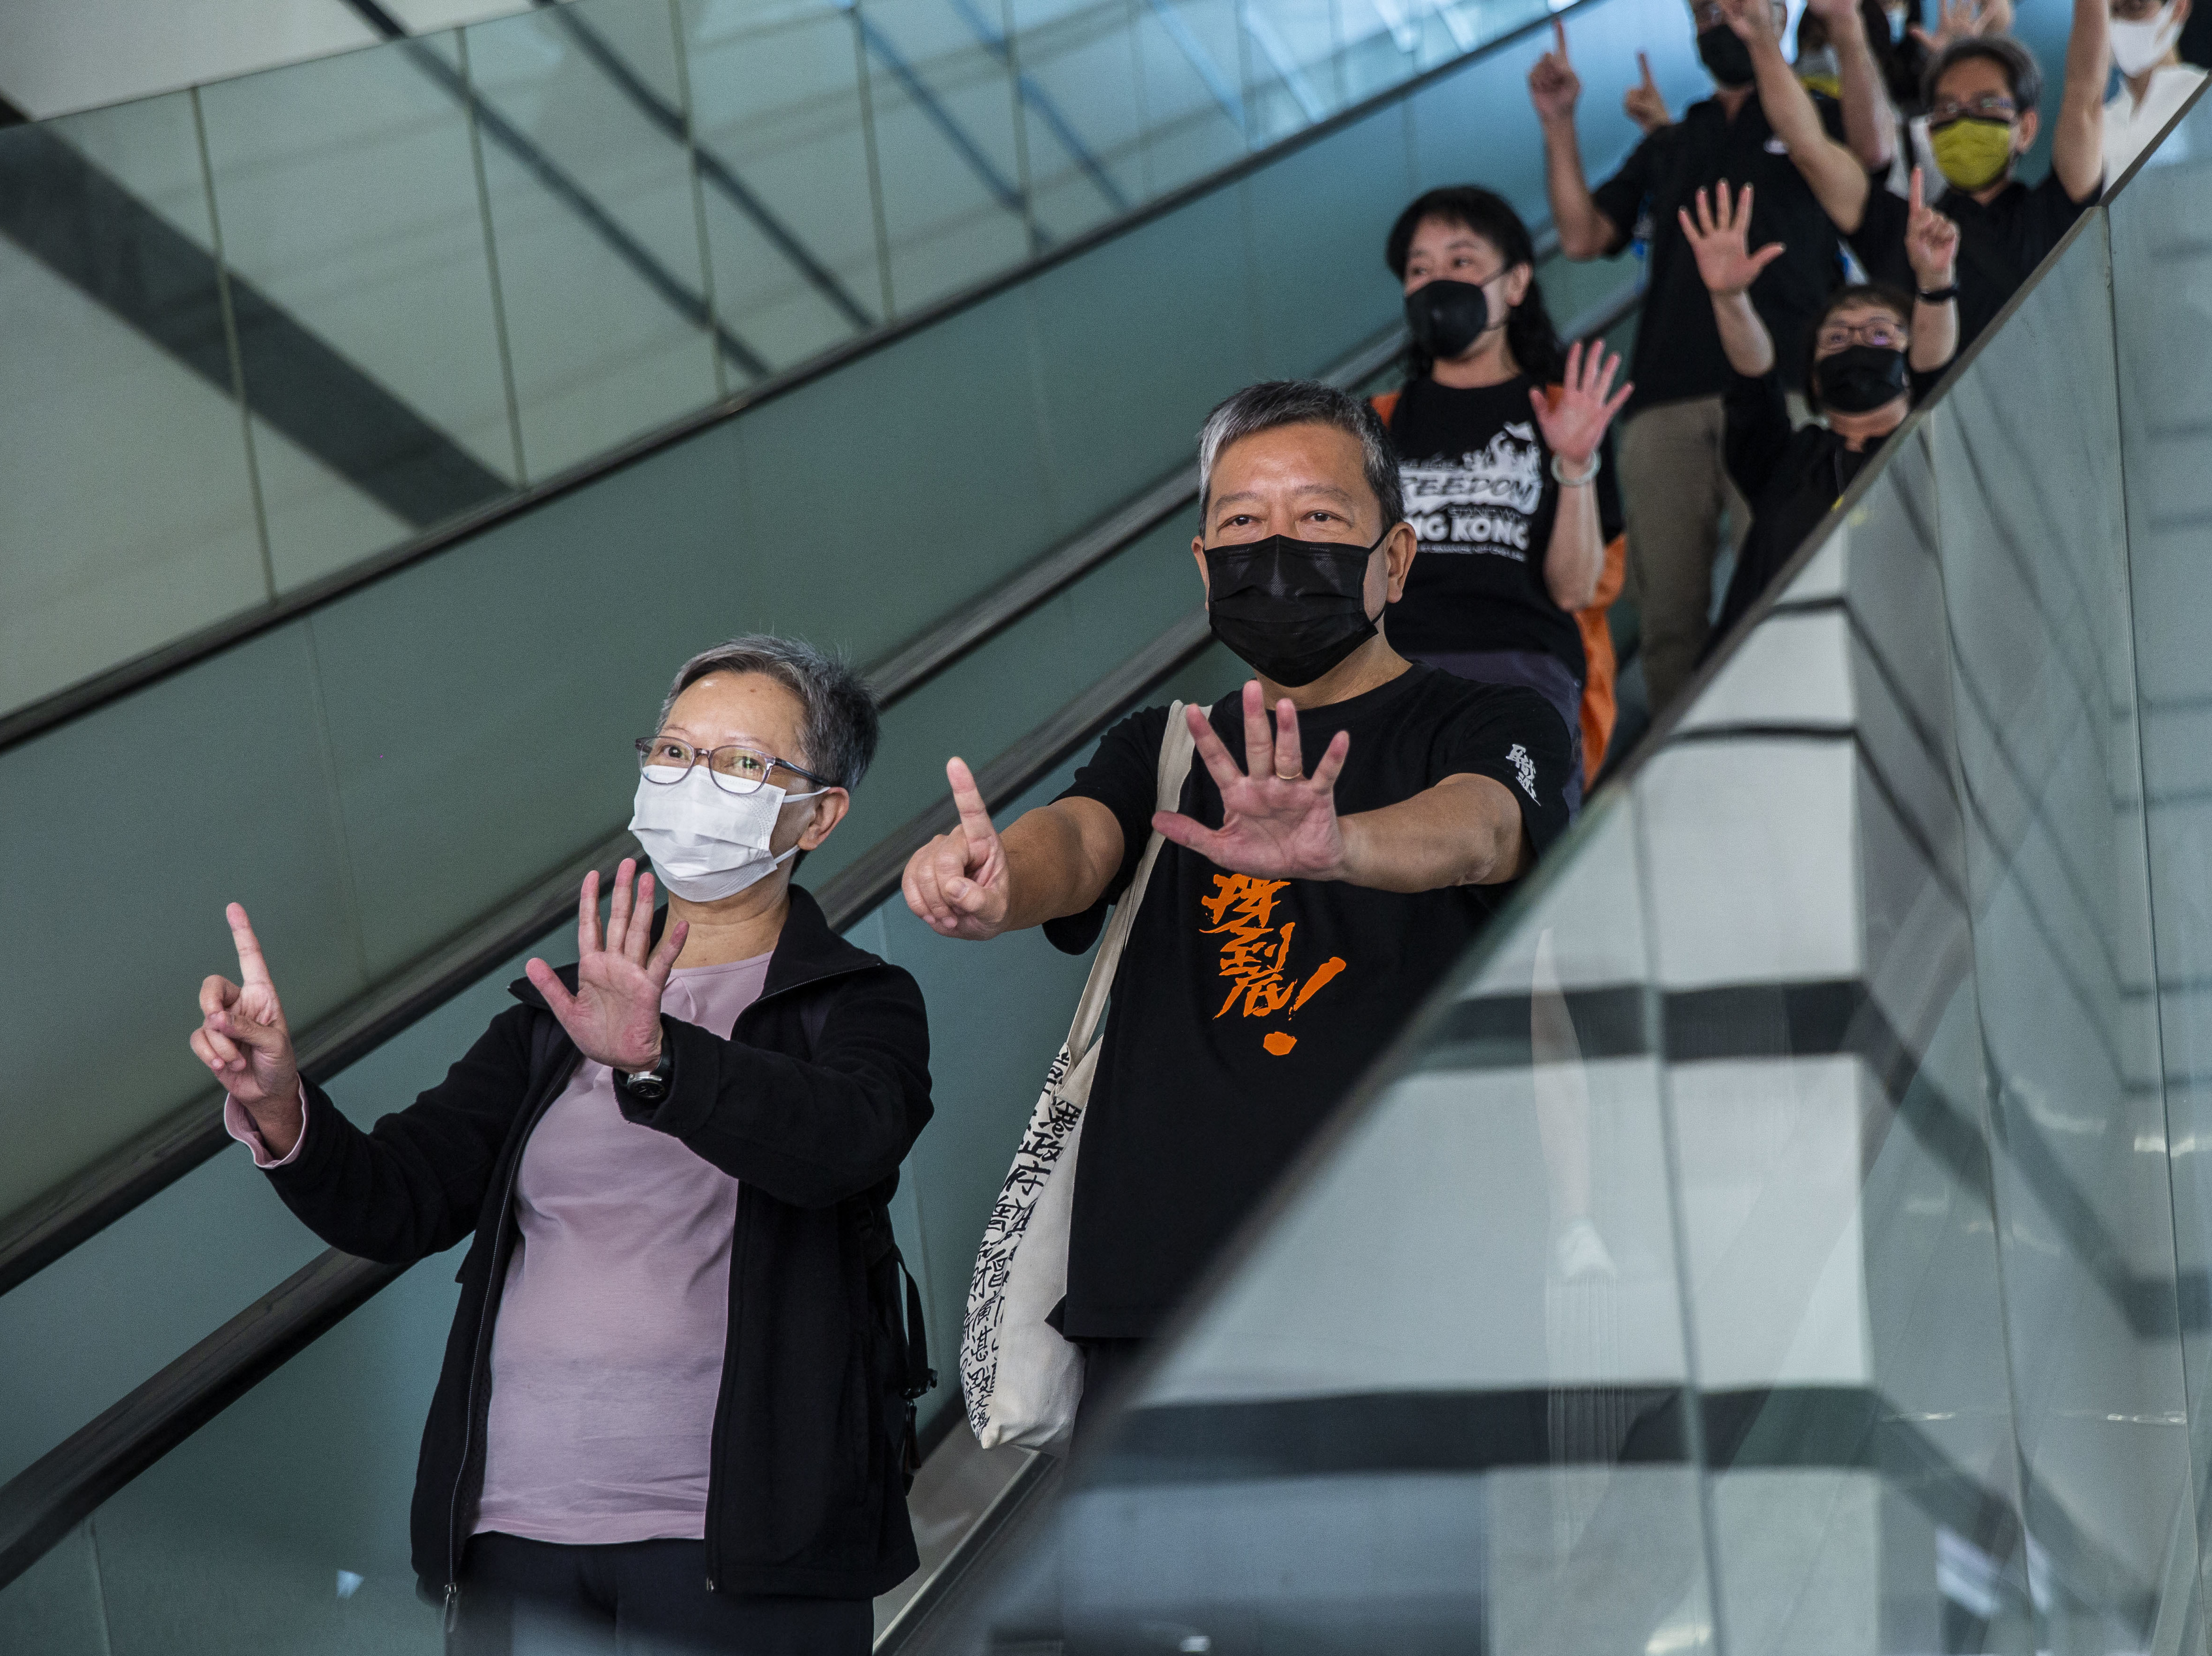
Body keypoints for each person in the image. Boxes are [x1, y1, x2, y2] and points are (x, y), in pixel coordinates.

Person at [189, 636, 933, 1656]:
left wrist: (660, 1057)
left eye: (740, 761)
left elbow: (843, 1142)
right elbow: (399, 1196)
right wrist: (279, 1102)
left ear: (820, 812)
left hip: (748, 1546)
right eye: (672, 749)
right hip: (514, 1534)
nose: (689, 780)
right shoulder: (551, 1019)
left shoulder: (854, 1002)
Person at [901, 380, 1574, 1431]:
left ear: (1393, 560)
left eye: (1316, 518)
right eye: (1242, 525)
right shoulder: (1166, 746)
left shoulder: (1491, 720)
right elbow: (1079, 839)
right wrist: (995, 878)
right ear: (1205, 566)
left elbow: (1483, 828)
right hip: (1162, 1290)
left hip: (1413, 1295)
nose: (1276, 549)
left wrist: (1340, 841)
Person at [1529, 2, 1854, 714]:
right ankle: (1691, 770)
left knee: (1787, 586)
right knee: (1669, 617)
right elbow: (1584, 234)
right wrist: (1557, 121)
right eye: (1707, 10)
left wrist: (1770, 49)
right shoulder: (1675, 143)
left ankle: (1798, 732)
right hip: (1664, 397)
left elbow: (1860, 184)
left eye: (1739, 6)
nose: (1722, 19)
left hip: (1782, 392)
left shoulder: (1815, 122)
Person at [1377, 186, 1634, 812]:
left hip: (1519, 670)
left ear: (1514, 283)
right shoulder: (1374, 423)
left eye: (1461, 261)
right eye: (1418, 269)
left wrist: (1574, 463)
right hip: (1388, 673)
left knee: (1488, 840)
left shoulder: (1562, 412)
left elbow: (1575, 591)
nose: (1437, 282)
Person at [1681, 174, 1960, 645]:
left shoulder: (1934, 445)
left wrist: (1933, 282)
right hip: (1764, 682)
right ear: (1812, 377)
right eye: (1835, 338)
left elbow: (1937, 372)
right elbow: (1754, 383)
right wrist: (1729, 298)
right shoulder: (1786, 460)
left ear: (1910, 357)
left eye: (1877, 334)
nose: (1855, 343)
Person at [1778, 0, 2108, 352]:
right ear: (1932, 131)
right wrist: (1771, 40)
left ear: (2026, 129)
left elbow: (2085, 94)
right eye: (1948, 108)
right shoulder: (1903, 232)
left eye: (1986, 105)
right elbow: (1809, 149)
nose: (1964, 120)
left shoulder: (2054, 212)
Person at [2103, 0, 2204, 187]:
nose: (2119, 24)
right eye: (2112, 12)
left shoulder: (2204, 96)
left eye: (2135, 8)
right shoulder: (2101, 124)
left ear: (2178, 7)